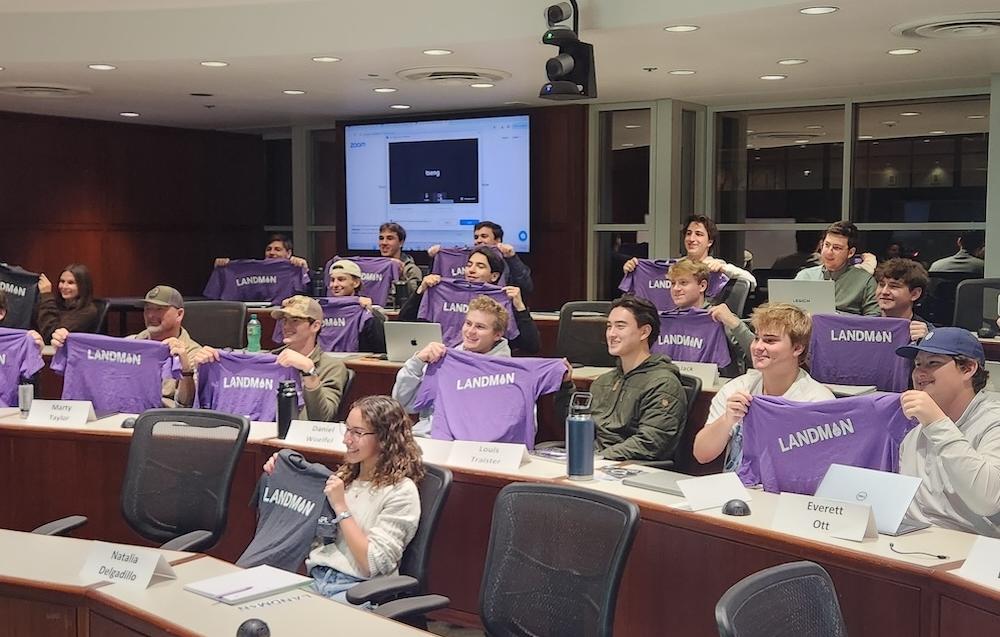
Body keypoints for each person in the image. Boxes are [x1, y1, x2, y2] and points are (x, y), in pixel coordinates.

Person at [262, 395, 423, 603]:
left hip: (360, 590)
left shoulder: (401, 492)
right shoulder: (343, 479)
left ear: (385, 438)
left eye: (357, 433)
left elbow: (371, 563)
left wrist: (340, 507)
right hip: (316, 580)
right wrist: (282, 475)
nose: (346, 440)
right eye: (347, 429)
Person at [693, 303, 834, 469]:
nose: (758, 347)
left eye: (770, 340)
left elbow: (819, 469)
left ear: (797, 348)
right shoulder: (737, 388)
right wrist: (726, 420)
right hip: (736, 490)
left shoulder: (817, 402)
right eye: (756, 338)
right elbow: (701, 454)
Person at [555, 295, 687, 461]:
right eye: (609, 326)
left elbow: (651, 442)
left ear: (644, 332)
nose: (611, 334)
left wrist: (598, 459)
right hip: (595, 463)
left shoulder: (664, 384)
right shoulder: (603, 382)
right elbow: (581, 427)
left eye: (620, 326)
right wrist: (566, 386)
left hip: (627, 472)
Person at [895, 327, 1000, 537]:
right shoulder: (914, 434)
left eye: (933, 362)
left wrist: (937, 423)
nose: (920, 373)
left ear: (968, 368)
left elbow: (987, 500)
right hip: (916, 550)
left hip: (979, 555)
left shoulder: (993, 422)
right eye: (917, 364)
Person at [193, 295, 349, 421]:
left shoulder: (332, 367)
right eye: (284, 320)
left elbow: (322, 417)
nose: (286, 327)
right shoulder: (268, 361)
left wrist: (309, 372)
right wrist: (199, 370)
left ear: (315, 326)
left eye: (295, 320)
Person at [50, 285, 199, 407]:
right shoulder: (130, 343)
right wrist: (66, 346)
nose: (151, 315)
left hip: (160, 426)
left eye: (159, 309)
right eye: (147, 308)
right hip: (118, 418)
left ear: (179, 314)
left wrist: (185, 369)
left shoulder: (194, 354)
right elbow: (99, 375)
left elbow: (187, 405)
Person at [393, 295, 515, 436]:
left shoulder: (510, 374)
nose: (470, 331)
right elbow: (404, 403)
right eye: (468, 323)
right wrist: (417, 362)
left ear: (497, 335)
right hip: (428, 439)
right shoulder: (442, 360)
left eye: (480, 327)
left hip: (476, 447)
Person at [399, 246, 540, 353]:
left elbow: (532, 346)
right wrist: (420, 291)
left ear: (494, 276)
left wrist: (520, 307)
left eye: (480, 266)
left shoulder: (501, 300)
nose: (471, 270)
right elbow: (403, 321)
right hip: (444, 359)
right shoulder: (442, 289)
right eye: (469, 265)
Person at [662, 258, 753, 376]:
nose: (676, 289)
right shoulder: (665, 321)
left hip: (716, 389)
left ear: (702, 286)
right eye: (673, 283)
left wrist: (735, 323)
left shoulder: (719, 318)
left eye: (683, 283)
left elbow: (757, 354)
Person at [623, 215, 757, 290]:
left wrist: (724, 269)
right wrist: (634, 270)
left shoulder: (717, 267)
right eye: (688, 234)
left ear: (709, 242)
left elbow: (752, 282)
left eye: (698, 234)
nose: (692, 239)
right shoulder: (673, 266)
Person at [795, 221, 879, 316]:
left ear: (851, 252)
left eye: (837, 248)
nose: (829, 252)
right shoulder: (805, 276)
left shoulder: (865, 281)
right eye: (826, 245)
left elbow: (874, 319)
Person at [428, 220, 534, 295]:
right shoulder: (463, 256)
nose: (478, 240)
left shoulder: (508, 261)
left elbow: (526, 287)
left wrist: (512, 258)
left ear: (498, 240)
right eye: (476, 237)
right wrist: (436, 257)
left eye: (484, 236)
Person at [328, 260, 386, 353]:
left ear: (356, 283)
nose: (335, 285)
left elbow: (380, 350)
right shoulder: (320, 310)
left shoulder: (368, 314)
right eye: (332, 280)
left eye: (341, 279)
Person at [34, 264, 99, 343]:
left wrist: (46, 296)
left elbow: (50, 336)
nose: (64, 286)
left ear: (83, 286)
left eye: (71, 283)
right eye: (62, 281)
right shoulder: (56, 304)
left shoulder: (88, 311)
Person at [875, 258, 932, 342]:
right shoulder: (863, 328)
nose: (884, 292)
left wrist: (927, 342)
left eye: (894, 286)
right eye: (881, 285)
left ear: (915, 294)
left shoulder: (929, 334)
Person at [377, 222, 423, 307]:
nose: (384, 243)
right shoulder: (375, 268)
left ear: (401, 242)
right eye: (381, 238)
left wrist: (401, 276)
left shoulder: (411, 270)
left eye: (390, 238)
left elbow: (415, 298)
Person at [213, 233, 309, 270]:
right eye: (268, 249)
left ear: (288, 253)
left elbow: (309, 291)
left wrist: (304, 269)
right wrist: (223, 266)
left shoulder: (294, 268)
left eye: (277, 249)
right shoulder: (252, 268)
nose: (271, 253)